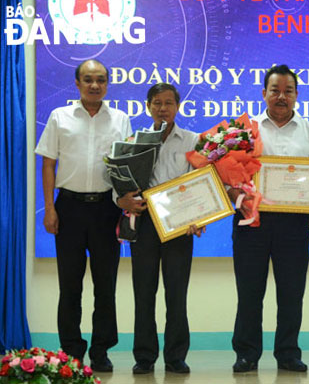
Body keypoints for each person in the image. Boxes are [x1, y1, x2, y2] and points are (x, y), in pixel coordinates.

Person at [228, 65, 309, 373]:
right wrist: (238, 194)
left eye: (288, 91)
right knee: (249, 292)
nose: (281, 97)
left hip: (293, 225)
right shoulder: (243, 132)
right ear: (264, 94)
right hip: (251, 221)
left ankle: (288, 353)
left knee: (291, 293)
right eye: (275, 90)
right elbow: (228, 176)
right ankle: (246, 353)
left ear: (297, 95)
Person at [35, 59, 132, 372]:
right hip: (69, 208)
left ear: (107, 84)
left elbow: (126, 167)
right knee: (70, 285)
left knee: (106, 286)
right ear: (77, 84)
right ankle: (72, 351)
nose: (95, 85)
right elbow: (48, 164)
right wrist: (49, 208)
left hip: (107, 209)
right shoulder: (59, 117)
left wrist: (124, 206)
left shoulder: (120, 119)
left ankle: (101, 351)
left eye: (101, 80)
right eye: (88, 79)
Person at [116, 83, 204, 375]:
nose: (162, 108)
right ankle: (144, 356)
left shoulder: (193, 140)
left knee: (177, 293)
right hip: (145, 222)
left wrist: (198, 216)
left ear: (178, 107)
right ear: (148, 107)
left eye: (168, 103)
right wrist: (122, 198)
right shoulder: (135, 141)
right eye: (156, 103)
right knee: (144, 291)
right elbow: (120, 182)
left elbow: (200, 183)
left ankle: (176, 356)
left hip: (180, 224)